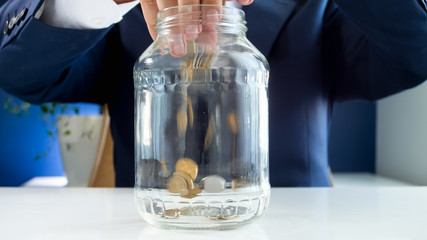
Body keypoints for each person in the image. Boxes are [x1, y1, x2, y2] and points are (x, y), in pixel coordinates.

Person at [1, 0, 426, 187]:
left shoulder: (322, 11)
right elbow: (19, 72)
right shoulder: (127, 23)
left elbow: (417, 53)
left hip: (297, 225)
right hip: (152, 225)